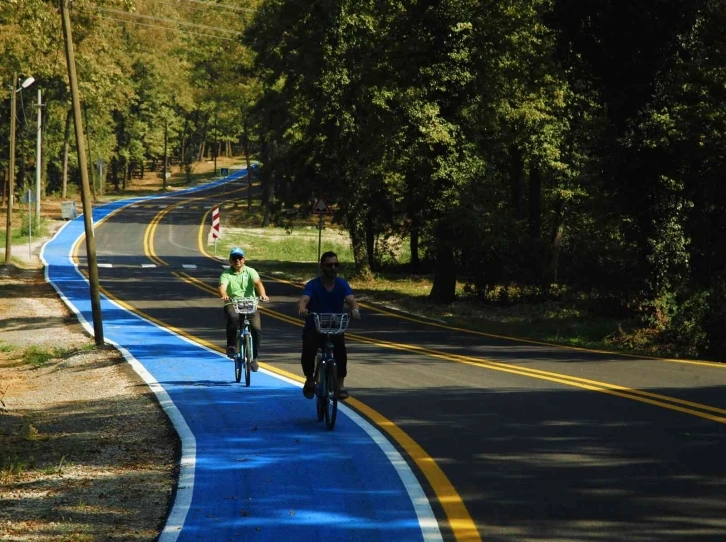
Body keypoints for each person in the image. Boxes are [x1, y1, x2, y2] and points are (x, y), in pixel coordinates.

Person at [297, 251, 361, 400]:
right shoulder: (313, 284)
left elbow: (351, 300)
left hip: (335, 327)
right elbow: (304, 299)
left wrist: (355, 309)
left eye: (335, 264)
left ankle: (340, 386)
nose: (333, 268)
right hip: (315, 326)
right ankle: (310, 380)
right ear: (322, 266)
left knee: (341, 353)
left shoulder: (342, 284)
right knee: (308, 350)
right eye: (329, 265)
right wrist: (302, 308)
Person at [219, 247, 269, 371]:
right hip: (232, 302)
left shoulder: (250, 271)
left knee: (256, 328)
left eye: (239, 258)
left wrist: (262, 294)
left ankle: (254, 358)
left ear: (244, 259)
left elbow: (258, 283)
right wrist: (224, 295)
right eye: (234, 258)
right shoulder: (226, 274)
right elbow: (222, 287)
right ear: (230, 260)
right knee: (233, 317)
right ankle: (231, 346)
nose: (237, 260)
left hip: (249, 303)